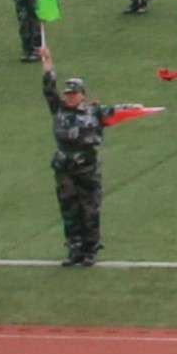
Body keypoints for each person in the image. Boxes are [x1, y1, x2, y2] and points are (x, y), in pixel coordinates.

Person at [44, 67, 110, 265]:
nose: (70, 97)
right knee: (69, 209)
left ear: (83, 95)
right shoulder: (59, 110)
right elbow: (48, 90)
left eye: (74, 94)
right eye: (68, 94)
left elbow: (120, 112)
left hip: (87, 167)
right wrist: (47, 64)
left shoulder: (95, 112)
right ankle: (74, 248)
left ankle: (90, 249)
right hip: (65, 167)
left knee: (89, 209)